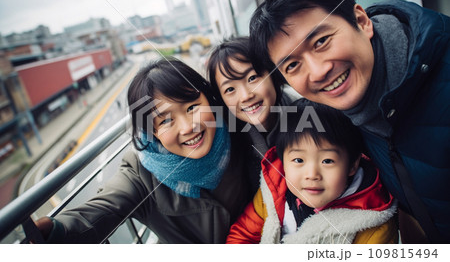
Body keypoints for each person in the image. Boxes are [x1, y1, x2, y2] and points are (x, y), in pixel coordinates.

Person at [249, 0, 450, 243]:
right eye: (292, 65)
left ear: (362, 21)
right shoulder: (339, 116)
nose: (319, 71)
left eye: (321, 41)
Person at [33, 58, 259, 243]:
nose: (188, 127)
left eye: (192, 107)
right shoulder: (140, 173)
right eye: (166, 120)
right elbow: (105, 207)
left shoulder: (235, 127)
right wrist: (57, 231)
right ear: (151, 131)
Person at [227, 98, 398, 244]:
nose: (312, 174)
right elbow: (243, 234)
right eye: (299, 160)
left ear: (352, 165)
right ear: (283, 162)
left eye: (327, 161)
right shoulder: (273, 190)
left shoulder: (372, 226)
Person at [207, 37, 300, 183]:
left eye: (252, 78)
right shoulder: (227, 143)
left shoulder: (307, 109)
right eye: (230, 89)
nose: (246, 96)